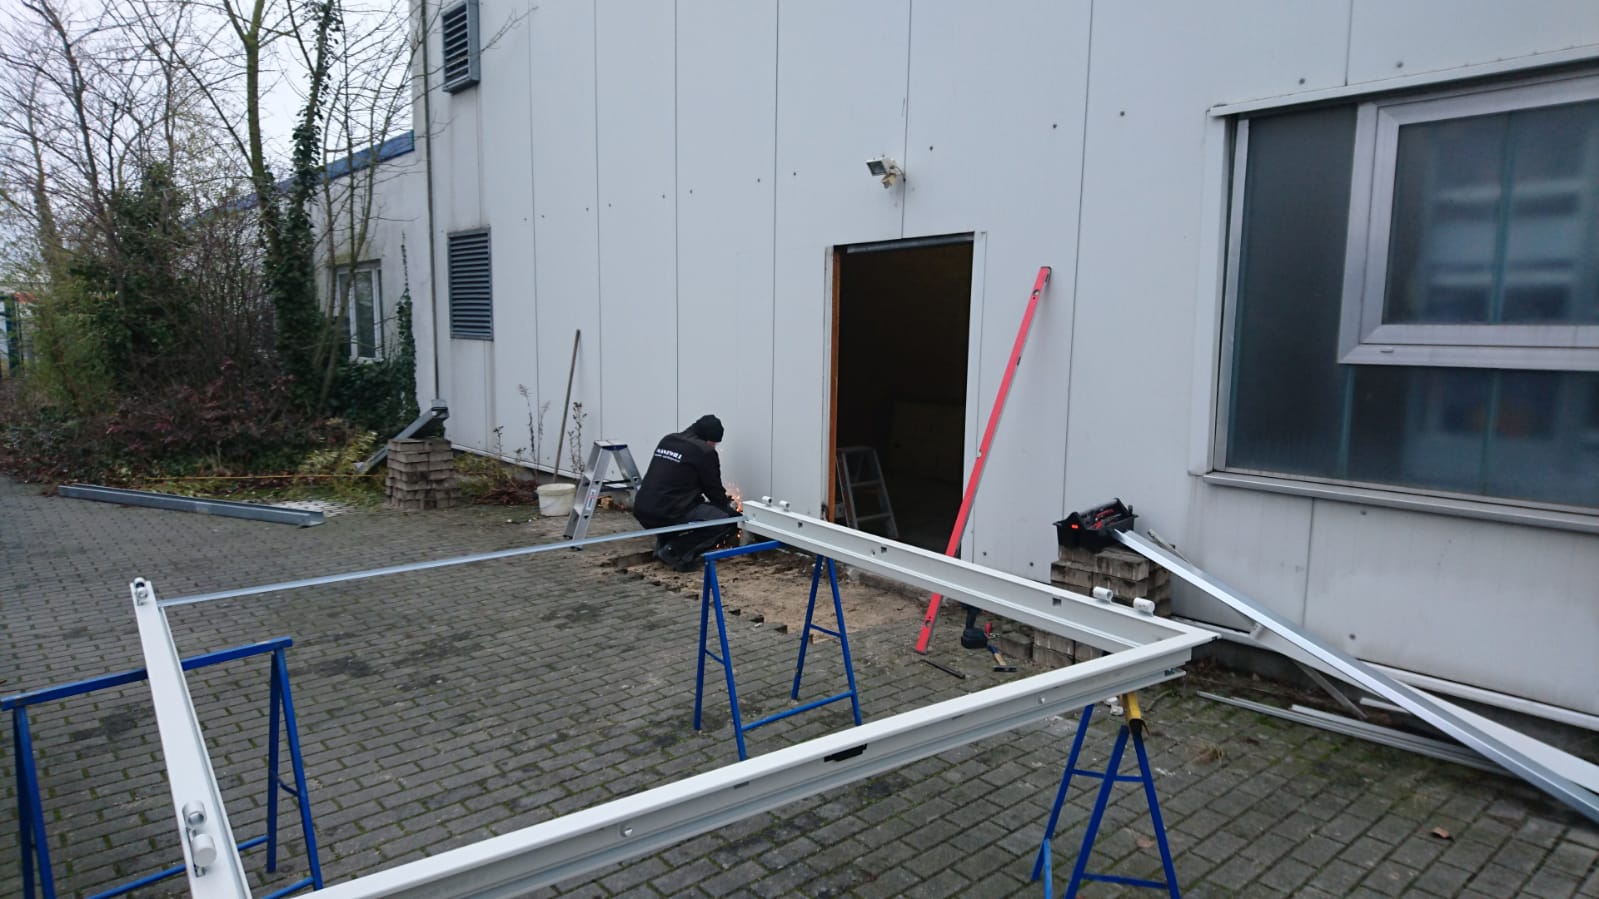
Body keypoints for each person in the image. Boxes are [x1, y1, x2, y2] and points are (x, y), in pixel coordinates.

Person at [633, 414, 739, 571]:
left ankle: (664, 544)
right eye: (714, 443)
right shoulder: (704, 452)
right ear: (708, 438)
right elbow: (713, 491)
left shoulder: (668, 440)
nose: (714, 447)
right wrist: (728, 507)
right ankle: (676, 552)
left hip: (642, 509)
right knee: (728, 520)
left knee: (683, 504)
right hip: (667, 513)